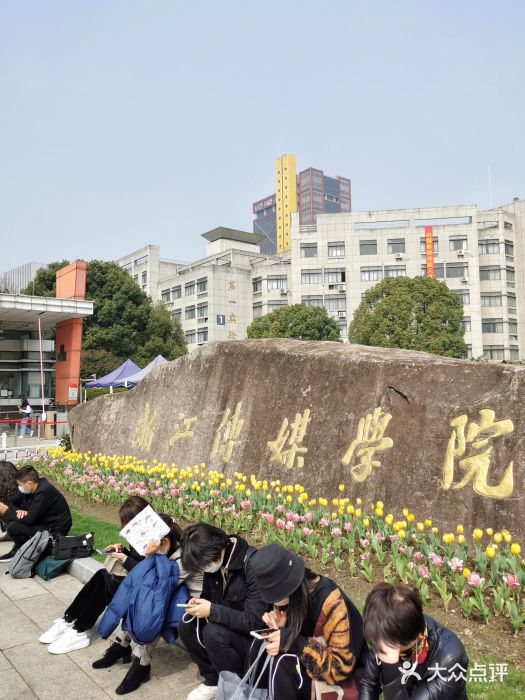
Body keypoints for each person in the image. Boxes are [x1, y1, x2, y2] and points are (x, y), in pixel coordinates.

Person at [249, 544, 364, 700]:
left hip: (344, 679)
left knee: (282, 660)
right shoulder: (295, 595)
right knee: (260, 646)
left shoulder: (332, 604)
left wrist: (291, 641)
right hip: (313, 665)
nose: (274, 603)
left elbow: (340, 670)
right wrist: (280, 624)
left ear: (289, 589)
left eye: (276, 597)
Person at [38, 496, 149, 654]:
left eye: (125, 522)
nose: (121, 525)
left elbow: (150, 571)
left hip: (146, 590)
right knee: (102, 575)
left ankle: (79, 629)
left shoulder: (156, 539)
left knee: (105, 580)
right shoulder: (140, 533)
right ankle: (70, 619)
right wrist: (123, 551)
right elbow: (139, 560)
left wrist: (125, 559)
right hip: (136, 581)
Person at [97, 514, 188, 695]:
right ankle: (120, 645)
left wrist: (155, 556)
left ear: (163, 541)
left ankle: (141, 665)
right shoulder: (162, 549)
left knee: (148, 612)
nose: (146, 547)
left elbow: (160, 587)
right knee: (134, 597)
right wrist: (130, 554)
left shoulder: (185, 557)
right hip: (162, 592)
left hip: (183, 599)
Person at [178, 523, 267, 700]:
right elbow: (208, 597)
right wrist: (197, 605)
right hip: (229, 626)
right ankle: (213, 680)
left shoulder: (251, 565)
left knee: (213, 633)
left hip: (254, 639)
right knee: (186, 624)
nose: (203, 570)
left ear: (215, 552)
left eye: (202, 565)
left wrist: (212, 610)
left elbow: (255, 621)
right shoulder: (214, 564)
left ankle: (238, 688)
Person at [358, 583, 469, 699]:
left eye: (387, 647)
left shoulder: (450, 660)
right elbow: (369, 684)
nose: (380, 649)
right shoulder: (386, 629)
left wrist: (390, 667)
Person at [0, 465, 71, 561]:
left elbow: (29, 520)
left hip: (54, 532)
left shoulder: (44, 492)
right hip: (41, 523)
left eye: (20, 485)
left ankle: (22, 550)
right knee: (7, 512)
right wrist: (17, 511)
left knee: (13, 526)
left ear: (29, 483)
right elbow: (10, 502)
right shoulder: (31, 489)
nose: (19, 488)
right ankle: (20, 547)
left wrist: (8, 512)